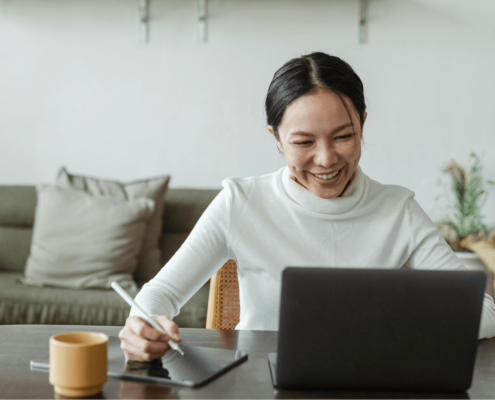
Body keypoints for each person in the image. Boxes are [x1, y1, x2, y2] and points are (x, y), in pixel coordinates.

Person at [118, 52, 495, 361]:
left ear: (363, 124)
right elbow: (159, 293)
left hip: (369, 380)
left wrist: (400, 321)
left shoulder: (398, 210)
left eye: (344, 136)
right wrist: (142, 325)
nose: (326, 159)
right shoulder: (240, 203)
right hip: (258, 381)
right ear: (277, 139)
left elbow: (485, 311)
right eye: (303, 142)